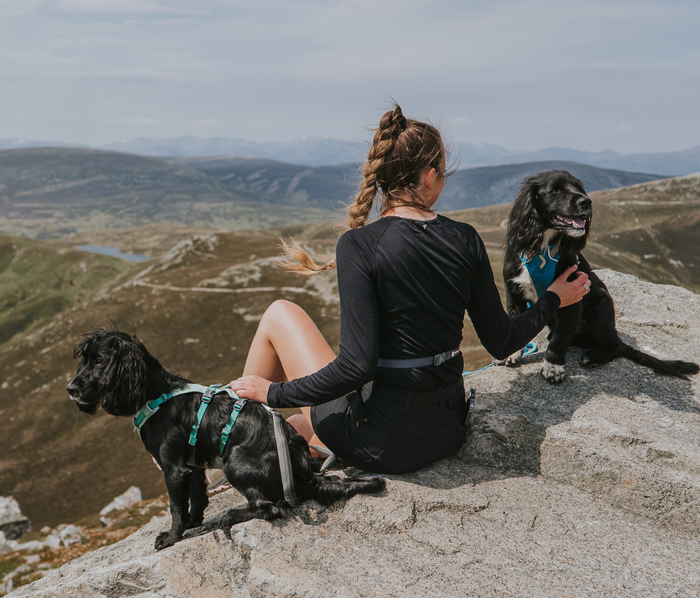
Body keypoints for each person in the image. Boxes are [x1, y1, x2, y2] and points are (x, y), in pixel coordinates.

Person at [229, 105, 590, 474]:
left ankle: (221, 449)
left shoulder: (359, 244)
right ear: (431, 177)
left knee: (279, 314)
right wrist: (554, 299)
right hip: (448, 432)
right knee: (298, 428)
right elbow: (501, 341)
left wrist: (272, 393)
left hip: (384, 443)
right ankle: (282, 449)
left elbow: (356, 366)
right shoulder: (465, 238)